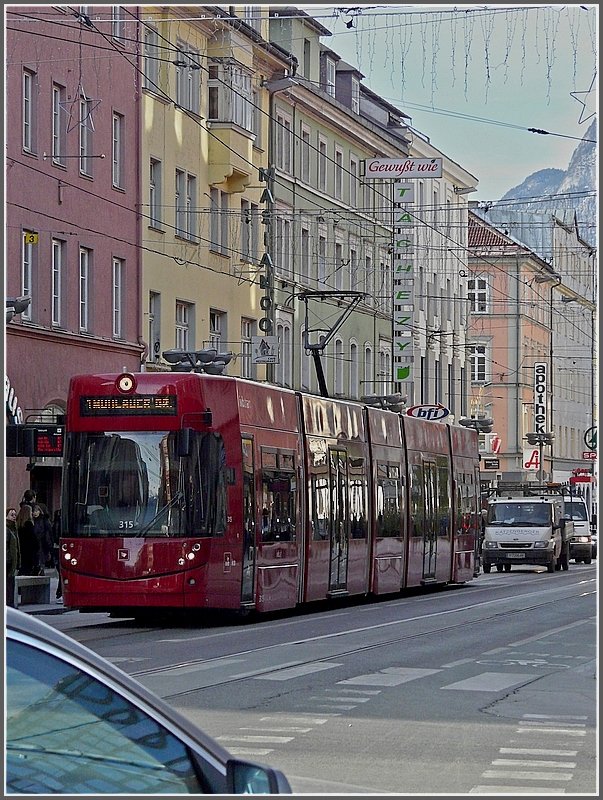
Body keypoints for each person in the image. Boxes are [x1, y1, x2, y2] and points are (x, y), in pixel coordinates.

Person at [15, 503, 38, 576]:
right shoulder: (29, 525)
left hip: (21, 553)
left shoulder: (17, 526)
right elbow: (34, 542)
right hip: (29, 554)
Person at [6, 508, 21, 607]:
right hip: (7, 562)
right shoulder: (6, 529)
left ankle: (10, 605)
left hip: (12, 563)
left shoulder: (14, 528)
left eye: (15, 514)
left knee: (10, 586)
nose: (14, 517)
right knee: (8, 586)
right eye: (12, 515)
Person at [32, 504, 53, 574]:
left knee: (41, 559)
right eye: (33, 511)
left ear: (39, 511)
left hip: (42, 543)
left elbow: (48, 533)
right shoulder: (32, 521)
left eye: (36, 511)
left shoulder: (43, 520)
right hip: (36, 543)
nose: (34, 513)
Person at [52, 509, 63, 601]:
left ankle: (59, 591)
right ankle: (60, 591)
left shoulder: (55, 523)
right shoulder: (60, 524)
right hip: (58, 547)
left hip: (56, 547)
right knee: (61, 571)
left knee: (60, 571)